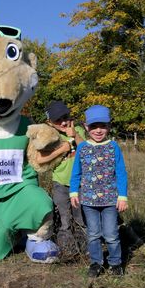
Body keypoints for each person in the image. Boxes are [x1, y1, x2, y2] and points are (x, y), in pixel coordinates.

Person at [69, 105, 128, 277]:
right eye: (94, 126)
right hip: (88, 200)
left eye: (102, 126)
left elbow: (121, 172)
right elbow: (76, 172)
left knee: (111, 234)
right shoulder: (82, 148)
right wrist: (73, 192)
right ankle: (96, 263)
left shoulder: (113, 147)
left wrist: (122, 196)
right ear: (86, 127)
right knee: (93, 234)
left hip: (110, 200)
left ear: (109, 127)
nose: (98, 130)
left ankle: (115, 263)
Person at [34, 100, 87, 260]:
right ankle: (68, 250)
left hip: (80, 184)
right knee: (64, 218)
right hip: (60, 184)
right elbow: (40, 159)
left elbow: (87, 150)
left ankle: (84, 249)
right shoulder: (51, 137)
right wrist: (62, 149)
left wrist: (75, 136)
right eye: (58, 120)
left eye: (65, 117)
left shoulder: (77, 130)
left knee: (80, 217)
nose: (63, 122)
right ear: (49, 122)